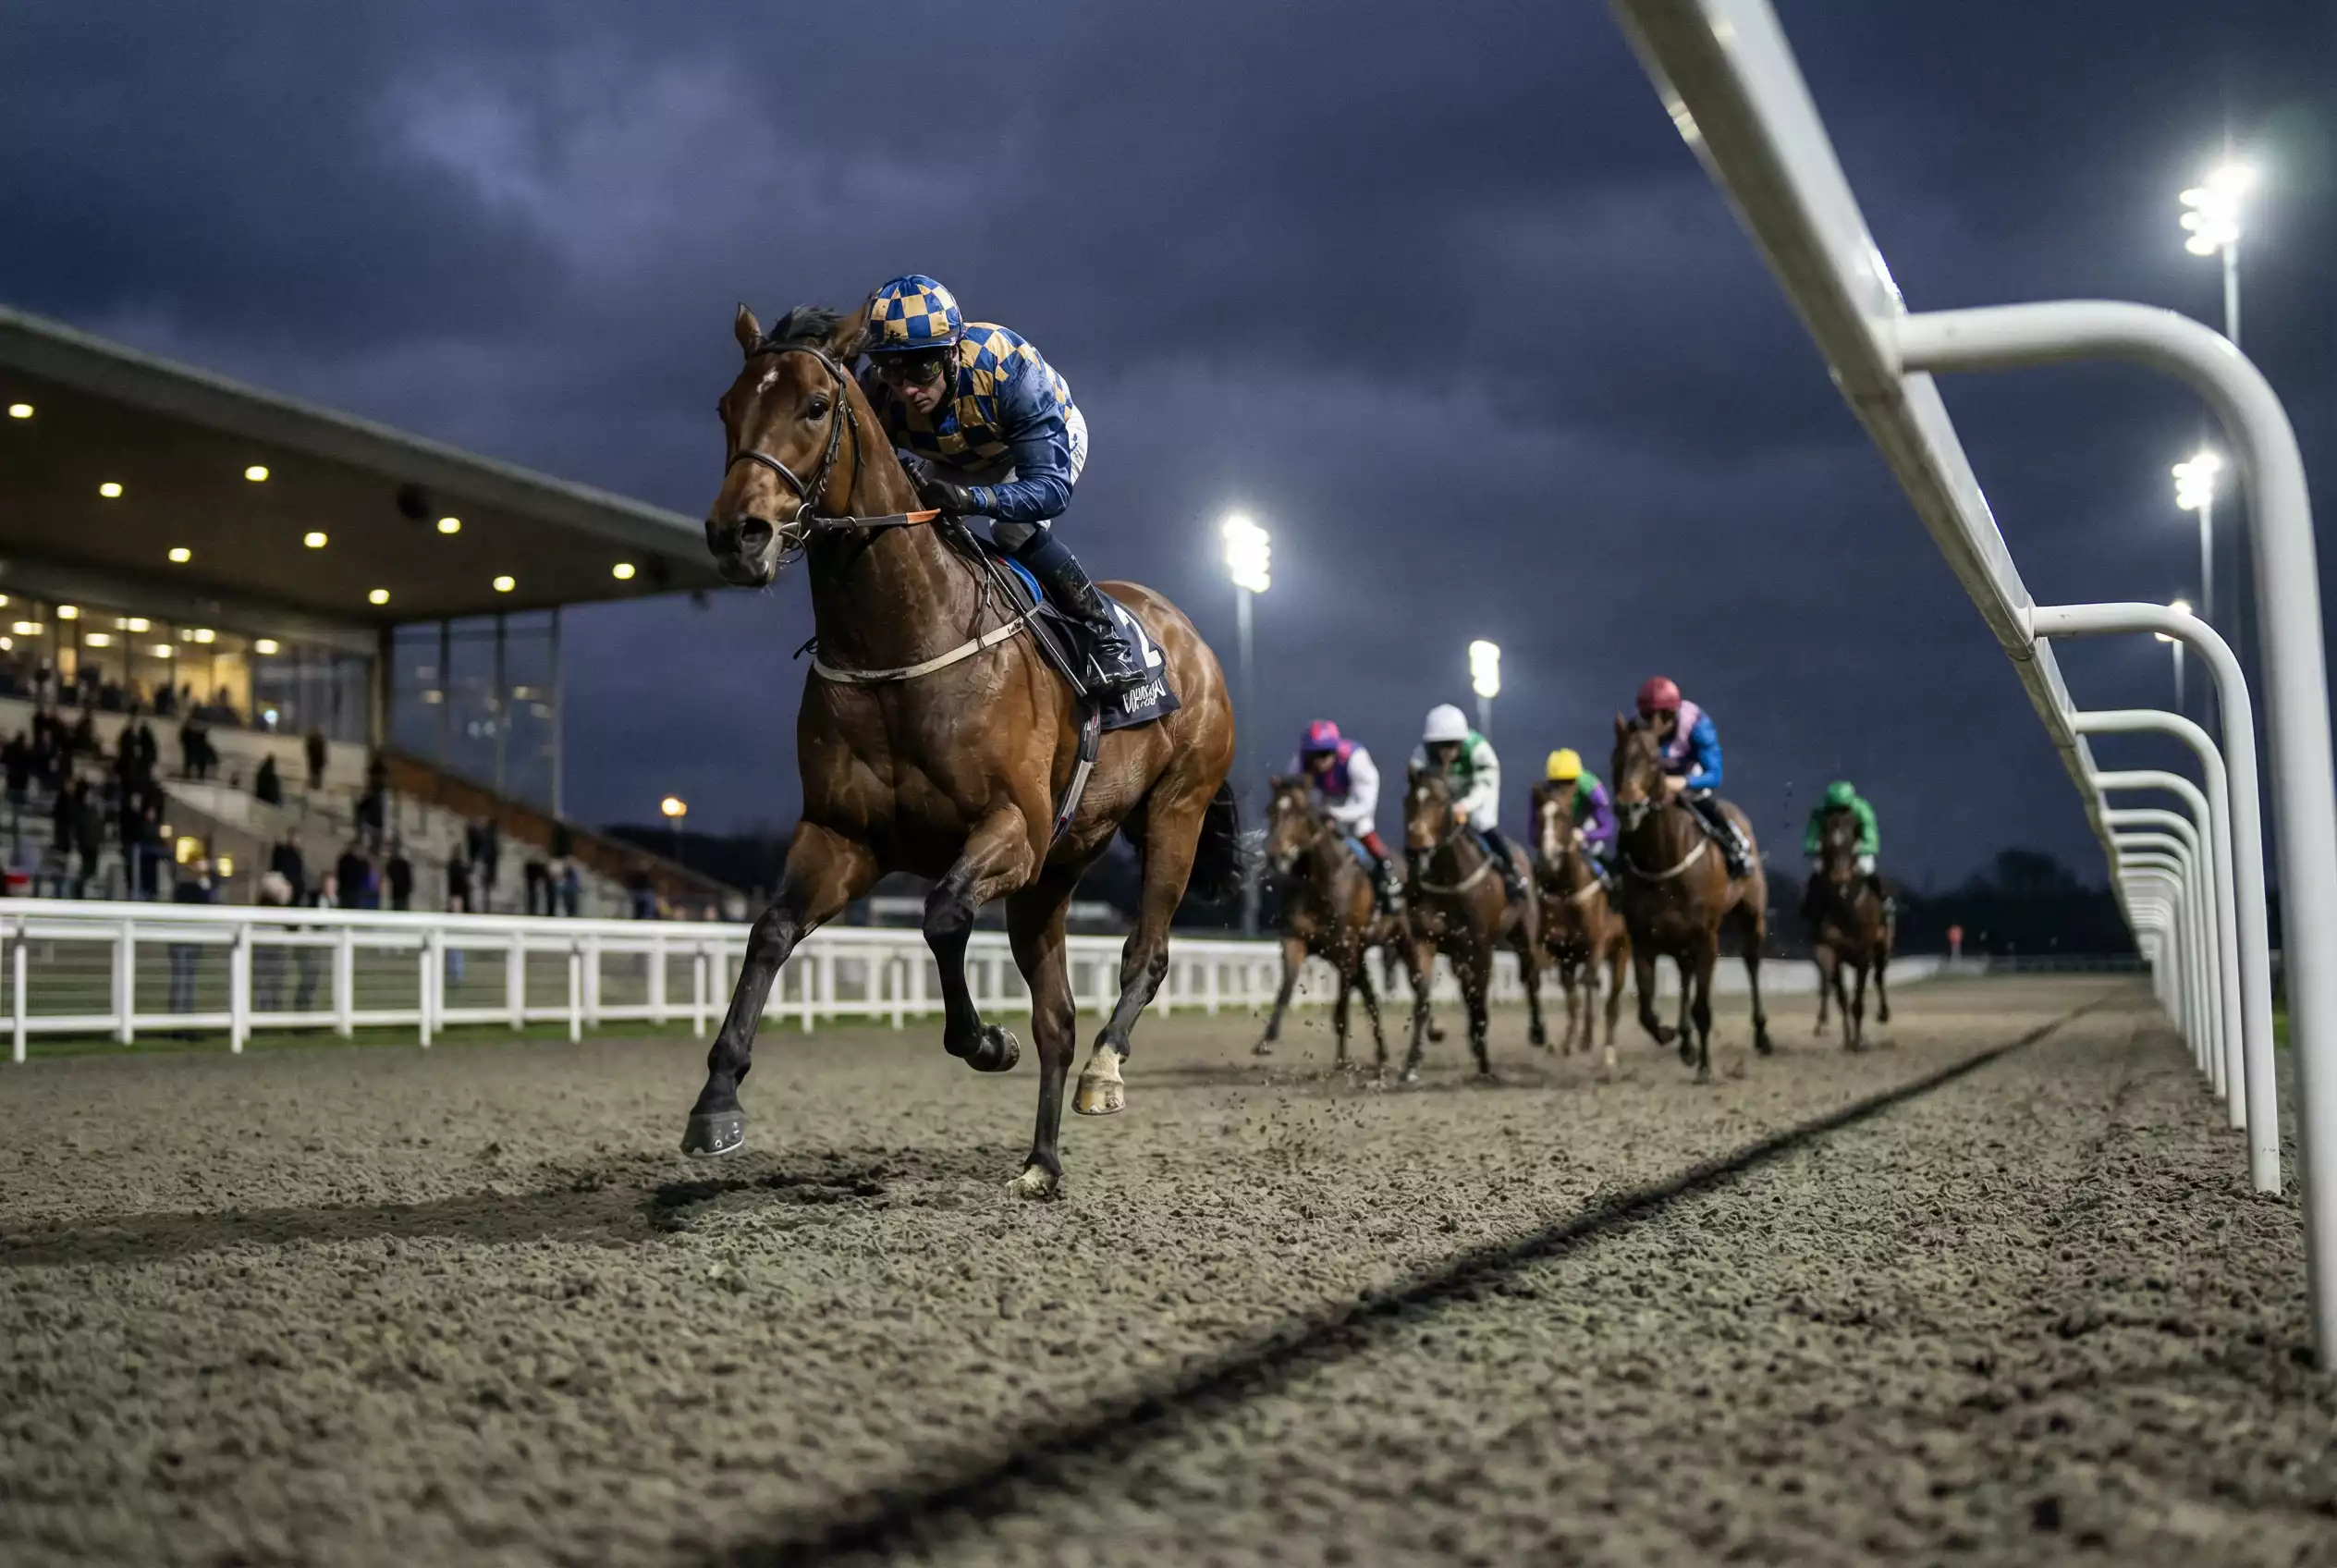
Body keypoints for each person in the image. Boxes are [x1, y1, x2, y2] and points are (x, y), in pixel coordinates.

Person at [855, 274, 1145, 695]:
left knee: (1010, 530)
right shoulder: (879, 392)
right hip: (953, 456)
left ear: (953, 353)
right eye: (891, 370)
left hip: (1035, 448)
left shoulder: (1007, 368)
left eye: (923, 366)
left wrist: (971, 498)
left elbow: (1050, 490)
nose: (908, 388)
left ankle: (1106, 638)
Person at [1408, 704, 1527, 904]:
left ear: (1461, 741)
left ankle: (1511, 872)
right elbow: (1417, 782)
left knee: (1482, 823)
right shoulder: (1421, 753)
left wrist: (1466, 806)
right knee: (1422, 828)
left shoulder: (1479, 749)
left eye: (1452, 744)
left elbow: (1485, 784)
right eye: (1440, 746)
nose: (1446, 752)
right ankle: (1415, 878)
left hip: (1477, 792)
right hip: (1445, 795)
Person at [1633, 677, 1751, 876]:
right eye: (1648, 717)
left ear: (1672, 713)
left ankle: (1735, 845)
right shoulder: (1636, 728)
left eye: (1662, 717)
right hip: (1656, 779)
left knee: (1700, 800)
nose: (1654, 724)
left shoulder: (1698, 726)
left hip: (1689, 774)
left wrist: (1683, 782)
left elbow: (1715, 775)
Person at [1291, 719, 1402, 911]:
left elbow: (1365, 805)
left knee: (1362, 829)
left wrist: (1336, 815)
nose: (1318, 761)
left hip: (1354, 801)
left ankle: (1384, 873)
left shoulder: (1356, 759)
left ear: (1335, 751)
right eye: (1313, 755)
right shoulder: (1298, 764)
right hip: (1322, 800)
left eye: (1324, 753)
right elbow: (1295, 800)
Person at [1544, 748, 1618, 884]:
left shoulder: (1592, 790)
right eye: (1556, 784)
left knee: (1601, 862)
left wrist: (1585, 835)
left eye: (1569, 783)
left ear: (1577, 779)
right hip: (1559, 830)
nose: (1562, 790)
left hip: (1585, 830)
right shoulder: (1543, 792)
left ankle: (1609, 881)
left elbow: (1607, 828)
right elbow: (1533, 835)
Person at [1803, 779, 1884, 900]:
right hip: (1829, 850)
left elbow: (1871, 837)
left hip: (1855, 848)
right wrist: (1815, 846)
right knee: (1818, 871)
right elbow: (1811, 837)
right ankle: (1809, 907)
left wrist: (1862, 847)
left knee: (1867, 868)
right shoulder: (1819, 813)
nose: (1838, 816)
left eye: (1843, 810)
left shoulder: (1863, 810)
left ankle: (1885, 902)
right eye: (1833, 811)